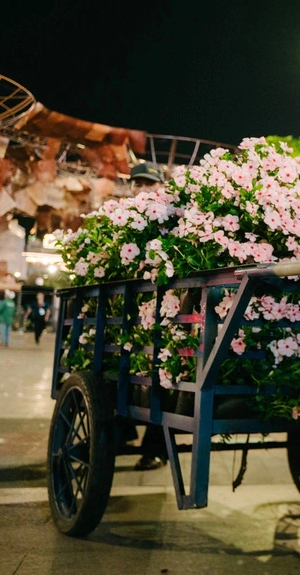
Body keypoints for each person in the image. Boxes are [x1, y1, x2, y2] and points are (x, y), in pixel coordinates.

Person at [129, 161, 170, 471]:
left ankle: (155, 446)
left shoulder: (169, 214)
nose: (143, 189)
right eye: (137, 184)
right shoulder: (125, 216)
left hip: (163, 306)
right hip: (136, 307)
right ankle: (123, 430)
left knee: (162, 373)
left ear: (160, 185)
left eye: (148, 183)